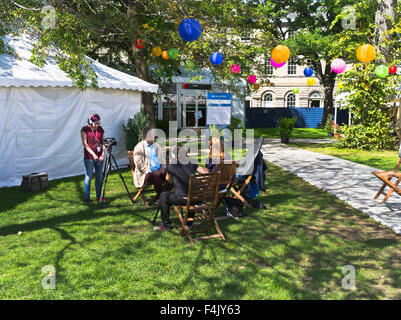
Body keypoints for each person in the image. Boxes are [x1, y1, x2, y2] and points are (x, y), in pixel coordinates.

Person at [154, 146, 209, 231]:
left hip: (184, 199)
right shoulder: (191, 162)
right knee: (190, 192)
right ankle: (189, 223)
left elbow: (169, 180)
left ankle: (166, 225)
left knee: (163, 196)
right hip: (198, 198)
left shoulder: (171, 165)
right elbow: (205, 173)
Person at [133, 127, 166, 201]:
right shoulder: (139, 147)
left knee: (171, 174)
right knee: (156, 178)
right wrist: (151, 170)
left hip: (159, 170)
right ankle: (162, 197)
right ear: (144, 136)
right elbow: (139, 165)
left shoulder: (156, 145)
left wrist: (163, 168)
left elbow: (162, 160)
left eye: (153, 135)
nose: (153, 137)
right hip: (145, 173)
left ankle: (161, 195)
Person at [81, 114, 106, 203]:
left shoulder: (100, 129)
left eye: (98, 123)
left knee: (99, 177)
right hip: (89, 158)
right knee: (88, 176)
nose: (97, 125)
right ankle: (87, 198)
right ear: (91, 122)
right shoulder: (85, 129)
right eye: (96, 123)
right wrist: (93, 154)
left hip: (100, 157)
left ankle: (99, 196)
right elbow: (85, 144)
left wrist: (102, 154)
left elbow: (104, 143)